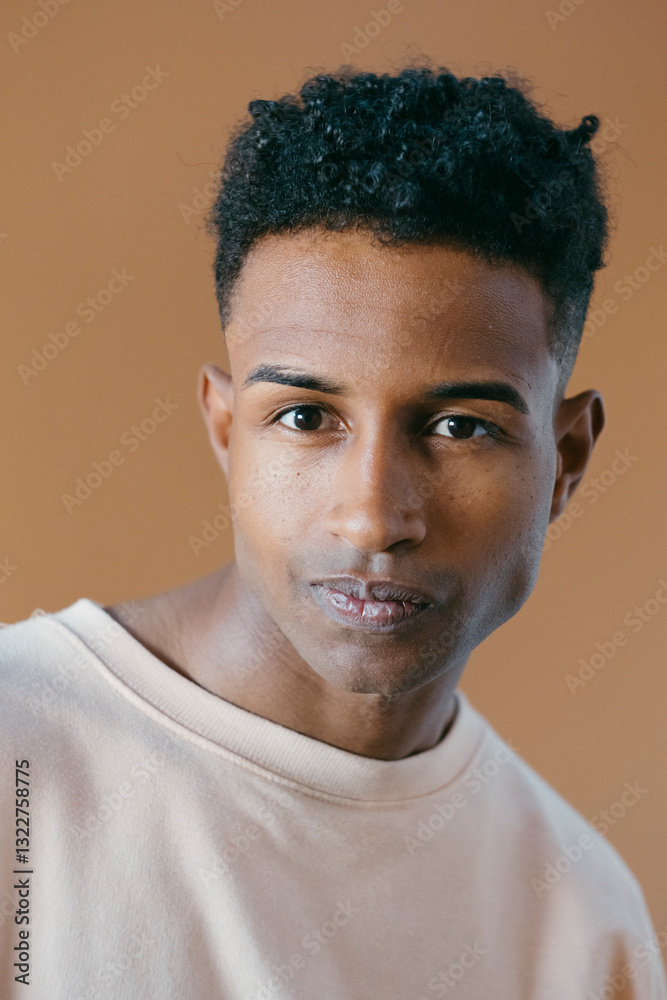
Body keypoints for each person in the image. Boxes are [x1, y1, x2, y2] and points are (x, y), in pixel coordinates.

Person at [1, 65, 665, 999]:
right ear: (226, 431)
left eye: (459, 427)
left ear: (566, 460)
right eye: (307, 418)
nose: (372, 516)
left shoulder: (583, 924)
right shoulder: (18, 751)